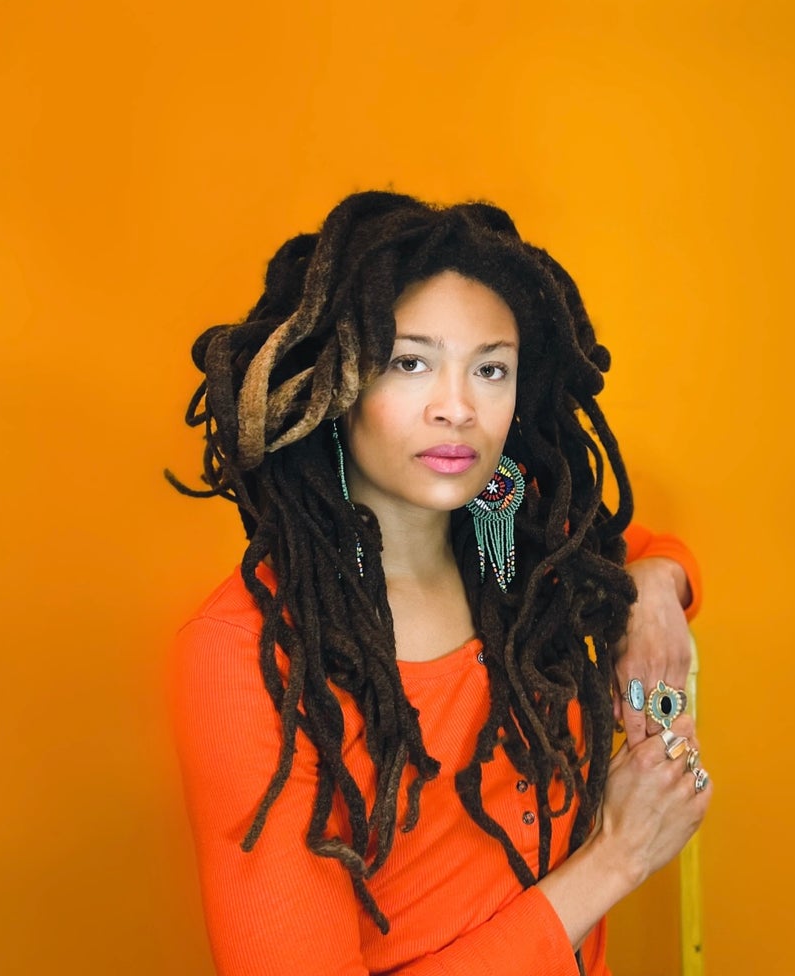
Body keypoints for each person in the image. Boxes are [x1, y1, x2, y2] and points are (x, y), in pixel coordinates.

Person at [170, 191, 711, 976]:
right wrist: (617, 860)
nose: (457, 408)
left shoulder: (512, 537)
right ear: (334, 384)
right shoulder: (247, 662)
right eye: (410, 361)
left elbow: (650, 552)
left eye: (490, 369)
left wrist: (657, 590)